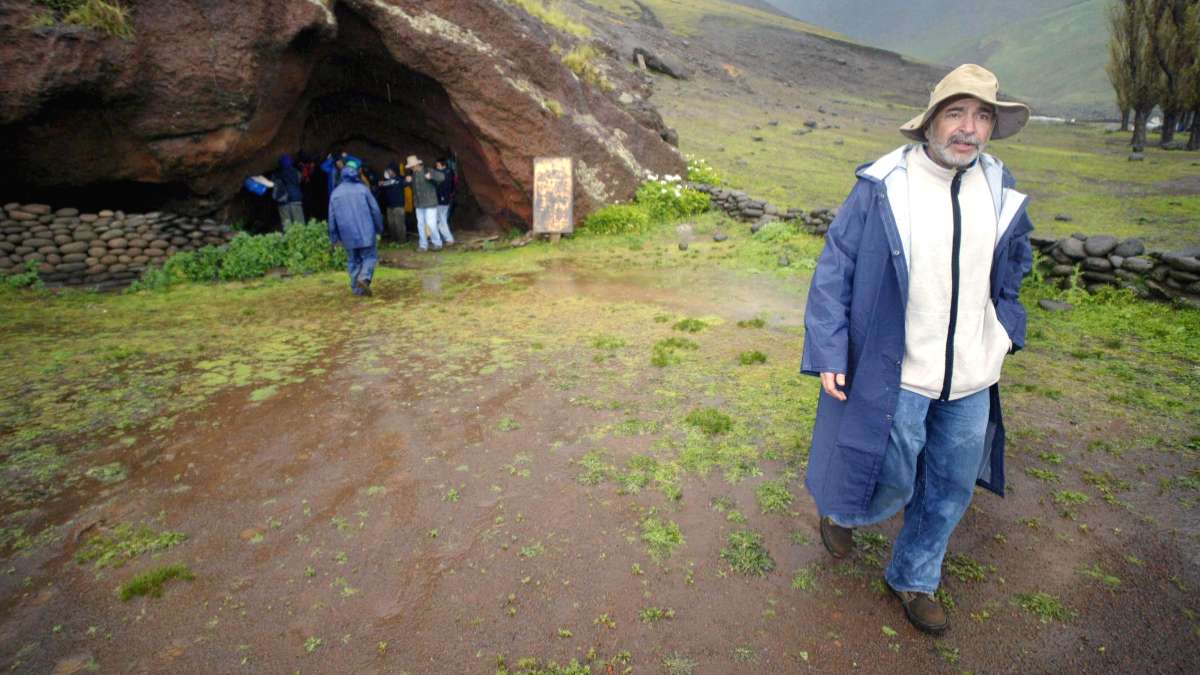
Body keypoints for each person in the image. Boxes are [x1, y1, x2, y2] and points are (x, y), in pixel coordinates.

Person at [800, 64, 1034, 635]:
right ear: (930, 122)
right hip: (897, 367)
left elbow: (1016, 263)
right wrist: (830, 349)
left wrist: (1004, 325)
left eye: (982, 117)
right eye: (956, 113)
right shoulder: (886, 187)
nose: (969, 129)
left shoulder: (1000, 189)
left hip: (972, 375)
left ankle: (914, 576)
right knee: (882, 467)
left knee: (950, 484)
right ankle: (843, 511)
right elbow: (837, 266)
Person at [328, 164, 383, 296]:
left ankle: (357, 290)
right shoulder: (363, 189)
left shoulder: (335, 193)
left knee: (353, 260)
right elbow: (375, 210)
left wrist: (334, 238)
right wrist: (379, 228)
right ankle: (364, 278)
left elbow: (331, 218)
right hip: (366, 232)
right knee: (369, 257)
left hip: (347, 235)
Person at [404, 155, 448, 251]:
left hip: (430, 203)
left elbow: (442, 177)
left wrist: (431, 176)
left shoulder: (427, 170)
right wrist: (407, 181)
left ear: (417, 164)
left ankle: (437, 243)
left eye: (412, 166)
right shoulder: (413, 175)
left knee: (431, 223)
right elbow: (411, 187)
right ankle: (423, 245)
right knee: (420, 224)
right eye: (410, 167)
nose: (411, 168)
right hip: (419, 204)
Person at [377, 161, 407, 242]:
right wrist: (381, 184)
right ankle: (393, 239)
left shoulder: (400, 179)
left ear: (394, 170)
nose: (388, 172)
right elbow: (381, 187)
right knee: (391, 224)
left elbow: (405, 183)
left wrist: (383, 183)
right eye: (387, 170)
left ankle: (402, 241)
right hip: (389, 206)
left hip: (398, 205)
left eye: (389, 170)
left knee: (399, 224)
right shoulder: (386, 181)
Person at [272, 154, 305, 226]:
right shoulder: (296, 172)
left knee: (287, 226)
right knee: (300, 225)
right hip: (296, 201)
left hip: (283, 203)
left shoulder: (277, 174)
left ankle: (290, 237)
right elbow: (299, 180)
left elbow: (273, 183)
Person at [434, 157, 456, 244]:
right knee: (441, 220)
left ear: (443, 165)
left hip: (443, 200)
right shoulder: (448, 172)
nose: (436, 166)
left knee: (441, 220)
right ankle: (443, 238)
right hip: (444, 199)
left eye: (438, 165)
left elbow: (444, 186)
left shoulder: (446, 173)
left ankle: (449, 239)